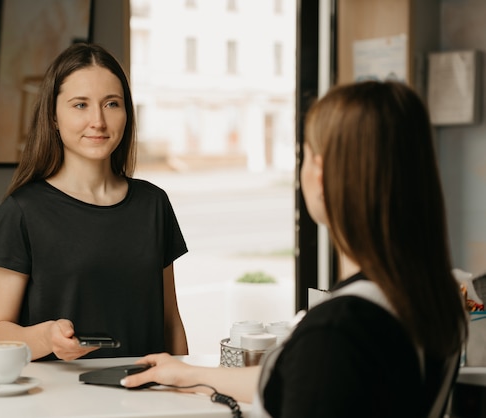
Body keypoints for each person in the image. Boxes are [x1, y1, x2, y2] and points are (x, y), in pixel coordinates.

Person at [122, 81, 468, 418]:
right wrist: (192, 375)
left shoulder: (336, 332)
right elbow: (300, 379)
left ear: (319, 174)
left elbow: (318, 372)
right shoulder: (430, 299)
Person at [0, 43, 189, 362]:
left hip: (146, 400)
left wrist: (184, 389)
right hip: (58, 403)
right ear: (52, 115)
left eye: (111, 104)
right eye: (80, 105)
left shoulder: (153, 204)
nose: (98, 121)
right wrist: (46, 337)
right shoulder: (21, 211)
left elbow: (170, 321)